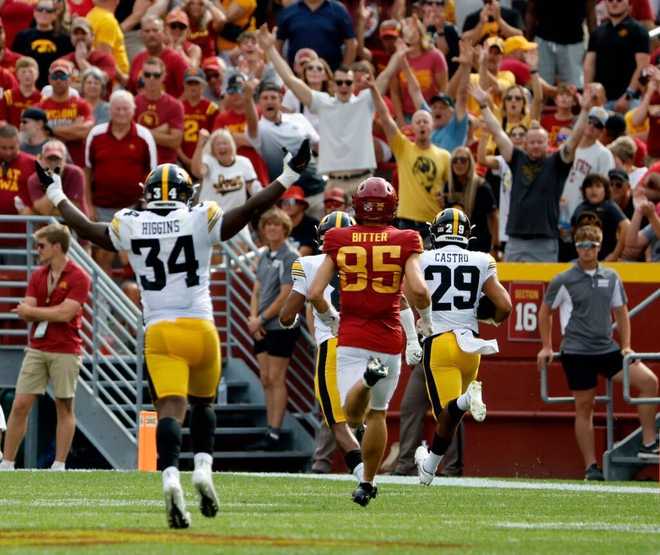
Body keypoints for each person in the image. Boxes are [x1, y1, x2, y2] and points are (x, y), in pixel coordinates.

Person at [32, 138, 311, 526]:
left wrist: (56, 191)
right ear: (186, 193)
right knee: (203, 404)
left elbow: (83, 228)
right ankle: (202, 468)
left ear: (147, 194)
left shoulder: (131, 220)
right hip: (200, 327)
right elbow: (250, 208)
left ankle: (169, 476)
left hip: (160, 329)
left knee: (169, 408)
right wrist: (290, 174)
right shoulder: (201, 216)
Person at [307, 177, 432, 507]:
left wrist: (332, 317)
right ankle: (367, 482)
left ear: (358, 207)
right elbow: (418, 291)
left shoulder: (337, 237)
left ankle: (365, 380)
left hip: (352, 333)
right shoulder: (406, 238)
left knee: (351, 416)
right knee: (377, 413)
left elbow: (315, 293)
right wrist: (426, 323)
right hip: (389, 335)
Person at [537, 224, 659, 481]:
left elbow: (622, 313)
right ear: (576, 247)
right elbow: (545, 311)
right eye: (581, 245)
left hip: (607, 349)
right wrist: (547, 345)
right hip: (576, 352)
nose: (586, 250)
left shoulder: (611, 277)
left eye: (591, 245)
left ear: (599, 246)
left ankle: (649, 441)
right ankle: (591, 466)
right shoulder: (564, 278)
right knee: (585, 408)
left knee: (649, 382)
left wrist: (626, 344)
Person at [414, 208, 512, 485]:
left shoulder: (422, 258)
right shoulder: (482, 259)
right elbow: (504, 305)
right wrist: (490, 318)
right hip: (471, 347)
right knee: (451, 419)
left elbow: (412, 297)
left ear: (437, 232)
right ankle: (429, 469)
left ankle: (468, 399)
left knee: (446, 412)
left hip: (440, 341)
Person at [278, 211, 365, 482]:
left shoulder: (309, 264)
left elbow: (286, 314)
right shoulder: (369, 261)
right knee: (365, 415)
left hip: (334, 342)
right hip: (368, 342)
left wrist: (289, 318)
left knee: (334, 418)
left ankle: (364, 474)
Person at [0, 223, 91, 471]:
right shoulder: (39, 275)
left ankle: (59, 465)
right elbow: (28, 311)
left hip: (66, 348)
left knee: (64, 405)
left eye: (41, 245)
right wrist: (37, 312)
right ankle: (7, 463)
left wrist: (34, 311)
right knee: (20, 405)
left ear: (57, 246)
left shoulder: (79, 276)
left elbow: (65, 313)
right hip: (38, 346)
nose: (37, 250)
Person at [472, 82, 590, 262]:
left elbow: (574, 139)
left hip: (545, 240)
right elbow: (498, 132)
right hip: (515, 239)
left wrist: (585, 110)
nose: (535, 146)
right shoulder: (517, 158)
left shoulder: (557, 162)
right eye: (532, 142)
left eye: (540, 142)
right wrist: (483, 106)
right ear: (525, 144)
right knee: (512, 288)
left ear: (547, 144)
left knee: (543, 289)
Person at [248, 207, 300, 450]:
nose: (271, 228)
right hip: (262, 325)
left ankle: (275, 432)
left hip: (281, 325)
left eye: (276, 225)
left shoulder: (290, 256)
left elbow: (286, 294)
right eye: (267, 224)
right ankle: (269, 428)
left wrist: (261, 318)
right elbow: (257, 289)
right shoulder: (264, 255)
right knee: (266, 378)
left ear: (285, 228)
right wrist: (252, 317)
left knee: (276, 378)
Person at [584, 0, 650, 111]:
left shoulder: (639, 31)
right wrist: (588, 93)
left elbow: (643, 67)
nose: (614, 3)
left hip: (629, 101)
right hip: (601, 101)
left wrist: (628, 96)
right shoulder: (597, 32)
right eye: (610, 0)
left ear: (629, 3)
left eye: (619, 0)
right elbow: (589, 65)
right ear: (605, 3)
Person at [571, 173, 629, 261]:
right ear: (584, 190)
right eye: (589, 186)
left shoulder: (609, 206)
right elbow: (571, 231)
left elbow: (626, 227)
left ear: (605, 190)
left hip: (605, 260)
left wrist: (615, 254)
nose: (593, 190)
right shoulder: (580, 208)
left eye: (598, 186)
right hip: (582, 259)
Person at [277, 186, 318, 256]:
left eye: (291, 201)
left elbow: (302, 255)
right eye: (284, 202)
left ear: (302, 205)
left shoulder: (312, 225)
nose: (287, 205)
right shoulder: (277, 225)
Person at [625, 194, 660, 261]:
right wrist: (639, 210)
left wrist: (652, 216)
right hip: (652, 268)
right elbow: (632, 243)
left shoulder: (655, 219)